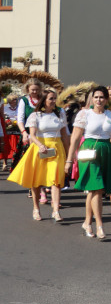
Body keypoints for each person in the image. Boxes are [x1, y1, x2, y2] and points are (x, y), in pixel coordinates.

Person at [69, 86, 111, 239]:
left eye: (102, 97)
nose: (98, 100)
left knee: (95, 190)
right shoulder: (84, 114)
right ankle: (99, 225)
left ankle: (87, 222)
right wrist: (69, 159)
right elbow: (74, 138)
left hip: (106, 150)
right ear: (92, 99)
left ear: (107, 99)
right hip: (89, 151)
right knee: (97, 188)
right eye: (96, 97)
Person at [8, 89, 70, 221]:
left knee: (56, 180)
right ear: (44, 100)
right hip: (39, 148)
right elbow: (33, 135)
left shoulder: (60, 113)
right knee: (37, 181)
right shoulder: (36, 115)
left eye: (55, 98)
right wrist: (40, 145)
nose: (53, 101)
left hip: (56, 147)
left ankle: (56, 211)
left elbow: (65, 135)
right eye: (51, 99)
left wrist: (69, 153)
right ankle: (36, 208)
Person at [16, 79, 45, 203]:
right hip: (29, 134)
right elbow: (20, 118)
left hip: (43, 134)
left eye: (37, 90)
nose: (34, 92)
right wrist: (24, 133)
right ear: (27, 89)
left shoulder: (44, 99)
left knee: (44, 163)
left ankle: (42, 187)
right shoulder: (24, 101)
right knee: (32, 163)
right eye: (32, 89)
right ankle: (34, 186)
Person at [2, 93, 20, 172]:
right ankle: (4, 163)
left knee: (16, 147)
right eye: (13, 100)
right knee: (6, 146)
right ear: (9, 100)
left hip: (17, 130)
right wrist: (7, 121)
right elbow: (2, 116)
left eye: (16, 99)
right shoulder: (5, 108)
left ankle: (15, 163)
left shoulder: (19, 108)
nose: (15, 101)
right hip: (7, 129)